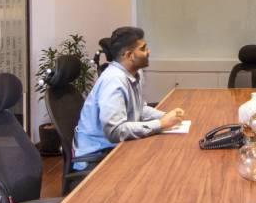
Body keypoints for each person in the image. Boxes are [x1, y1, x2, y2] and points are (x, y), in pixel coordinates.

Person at [72, 26, 186, 167]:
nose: (148, 52)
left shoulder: (132, 74)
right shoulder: (113, 80)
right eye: (143, 49)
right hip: (99, 156)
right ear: (129, 55)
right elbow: (114, 131)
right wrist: (161, 124)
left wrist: (166, 116)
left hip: (116, 147)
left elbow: (140, 109)